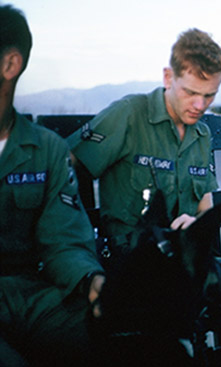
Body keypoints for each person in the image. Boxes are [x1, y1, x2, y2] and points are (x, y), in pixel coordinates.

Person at [68, 28, 221, 366]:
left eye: (210, 95)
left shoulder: (201, 134)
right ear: (169, 77)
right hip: (139, 268)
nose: (200, 105)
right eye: (192, 92)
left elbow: (205, 206)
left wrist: (195, 223)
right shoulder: (130, 115)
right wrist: (82, 260)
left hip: (192, 263)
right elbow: (63, 173)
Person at [0, 4, 105, 366]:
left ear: (10, 65)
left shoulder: (46, 150)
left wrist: (92, 283)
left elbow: (64, 241)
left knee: (122, 339)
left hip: (31, 297)